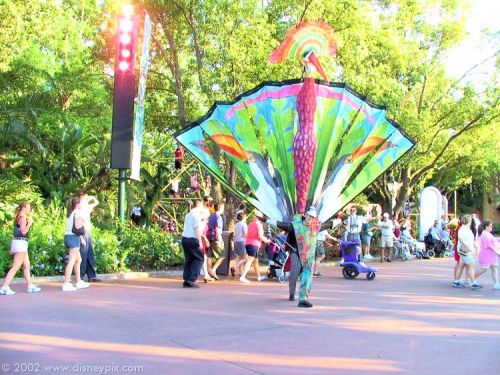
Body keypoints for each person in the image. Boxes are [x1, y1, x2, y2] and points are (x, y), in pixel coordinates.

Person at [269, 208, 339, 308]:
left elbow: (328, 224)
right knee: (294, 272)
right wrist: (264, 219)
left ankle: (303, 299)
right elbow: (281, 224)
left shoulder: (315, 226)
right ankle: (292, 292)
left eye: (313, 217)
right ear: (305, 215)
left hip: (308, 255)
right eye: (310, 216)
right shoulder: (295, 225)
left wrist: (341, 220)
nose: (311, 219)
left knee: (307, 274)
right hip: (296, 252)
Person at [0, 202, 41, 296]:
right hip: (21, 243)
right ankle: (4, 287)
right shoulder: (22, 218)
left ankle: (30, 285)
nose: (30, 209)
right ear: (23, 208)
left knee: (26, 265)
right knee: (16, 266)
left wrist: (12, 246)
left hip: (20, 243)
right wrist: (29, 224)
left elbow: (15, 232)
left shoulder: (18, 216)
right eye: (28, 207)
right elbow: (23, 232)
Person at [62, 197, 90, 291]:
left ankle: (78, 281)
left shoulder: (71, 214)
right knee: (72, 261)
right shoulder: (77, 213)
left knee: (78, 260)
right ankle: (66, 283)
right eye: (81, 203)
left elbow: (74, 228)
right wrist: (84, 223)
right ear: (77, 205)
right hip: (73, 238)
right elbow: (78, 227)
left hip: (70, 237)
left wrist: (81, 238)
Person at [452, 214, 482, 289]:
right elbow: (461, 239)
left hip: (464, 249)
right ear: (468, 221)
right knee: (470, 265)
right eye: (470, 220)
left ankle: (456, 281)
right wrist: (469, 248)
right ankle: (473, 282)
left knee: (461, 265)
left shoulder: (465, 228)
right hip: (465, 250)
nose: (471, 222)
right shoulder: (463, 229)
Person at [240, 211, 270, 283]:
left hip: (248, 243)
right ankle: (243, 276)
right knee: (250, 260)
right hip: (254, 244)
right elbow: (260, 236)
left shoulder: (250, 223)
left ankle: (259, 276)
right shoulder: (259, 225)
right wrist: (266, 240)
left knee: (255, 261)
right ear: (260, 218)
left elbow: (247, 234)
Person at [181, 200, 204, 288]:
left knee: (189, 258)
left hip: (185, 239)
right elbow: (196, 229)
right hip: (192, 239)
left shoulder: (189, 214)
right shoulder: (196, 215)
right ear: (198, 206)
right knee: (199, 258)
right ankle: (192, 279)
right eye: (202, 206)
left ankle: (187, 279)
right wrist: (200, 241)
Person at [79, 193, 101, 282]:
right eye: (84, 199)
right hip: (83, 232)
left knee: (90, 253)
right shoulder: (79, 209)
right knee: (83, 254)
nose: (86, 200)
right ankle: (80, 275)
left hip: (88, 233)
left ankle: (91, 275)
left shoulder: (87, 207)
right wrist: (81, 237)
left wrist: (91, 197)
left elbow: (96, 202)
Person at [475, 220, 500, 289]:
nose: (492, 227)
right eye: (490, 226)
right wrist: (497, 252)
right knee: (484, 268)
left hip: (492, 255)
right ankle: (472, 278)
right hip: (487, 255)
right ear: (486, 227)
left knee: (494, 267)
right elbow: (489, 246)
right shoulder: (485, 234)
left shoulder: (488, 233)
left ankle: (496, 284)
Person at [207, 202, 225, 279]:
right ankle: (213, 270)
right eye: (223, 208)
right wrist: (219, 240)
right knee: (222, 255)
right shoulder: (219, 217)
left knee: (209, 256)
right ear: (220, 208)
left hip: (209, 237)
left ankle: (209, 272)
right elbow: (217, 229)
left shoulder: (211, 216)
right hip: (215, 238)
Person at [199, 206, 214, 283]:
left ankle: (206, 275)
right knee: (201, 259)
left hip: (203, 243)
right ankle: (205, 275)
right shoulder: (202, 223)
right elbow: (200, 233)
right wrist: (205, 238)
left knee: (204, 258)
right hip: (200, 243)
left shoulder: (204, 222)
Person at [232, 211, 248, 277]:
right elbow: (246, 234)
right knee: (245, 258)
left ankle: (241, 272)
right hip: (241, 241)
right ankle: (234, 268)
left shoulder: (237, 224)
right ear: (244, 217)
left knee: (240, 258)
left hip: (236, 241)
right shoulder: (243, 224)